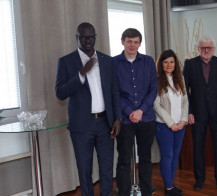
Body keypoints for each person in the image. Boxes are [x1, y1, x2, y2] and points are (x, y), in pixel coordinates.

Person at [55, 22, 121, 196]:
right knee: (85, 172)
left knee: (107, 170)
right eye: (83, 37)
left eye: (90, 36)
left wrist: (117, 118)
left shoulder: (107, 60)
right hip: (81, 126)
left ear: (95, 37)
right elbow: (60, 93)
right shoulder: (66, 62)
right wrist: (81, 74)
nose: (87, 40)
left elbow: (114, 91)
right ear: (77, 37)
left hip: (106, 123)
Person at [113, 28, 157, 196]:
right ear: (122, 41)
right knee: (124, 160)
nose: (132, 45)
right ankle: (124, 192)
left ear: (140, 43)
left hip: (146, 119)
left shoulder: (148, 61)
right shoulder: (113, 63)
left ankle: (146, 192)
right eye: (129, 41)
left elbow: (153, 89)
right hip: (124, 120)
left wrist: (141, 110)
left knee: (145, 159)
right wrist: (130, 111)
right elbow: (114, 91)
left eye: (136, 42)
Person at [183, 35, 217, 191]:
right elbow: (184, 91)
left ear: (214, 49)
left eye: (209, 47)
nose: (206, 50)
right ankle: (199, 179)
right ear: (198, 49)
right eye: (203, 48)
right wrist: (188, 112)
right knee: (198, 148)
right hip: (197, 113)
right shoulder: (190, 65)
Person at [153, 49, 189, 196]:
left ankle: (171, 184)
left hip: (180, 125)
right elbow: (156, 105)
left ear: (175, 64)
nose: (169, 65)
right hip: (163, 125)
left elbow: (185, 101)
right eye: (166, 62)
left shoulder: (180, 78)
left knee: (175, 155)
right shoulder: (156, 80)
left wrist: (183, 120)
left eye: (172, 62)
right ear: (161, 64)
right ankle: (168, 188)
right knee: (167, 155)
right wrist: (171, 123)